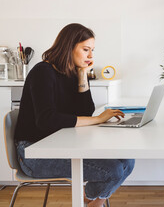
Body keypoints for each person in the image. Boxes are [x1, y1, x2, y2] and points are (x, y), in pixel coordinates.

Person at [14, 23, 135, 207]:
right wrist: (98, 119)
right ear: (69, 46)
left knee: (128, 160)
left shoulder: (72, 73)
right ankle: (92, 202)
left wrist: (82, 75)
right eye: (86, 50)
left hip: (61, 145)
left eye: (92, 50)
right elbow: (46, 120)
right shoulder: (42, 72)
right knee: (114, 170)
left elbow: (84, 113)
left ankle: (89, 200)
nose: (91, 56)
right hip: (33, 153)